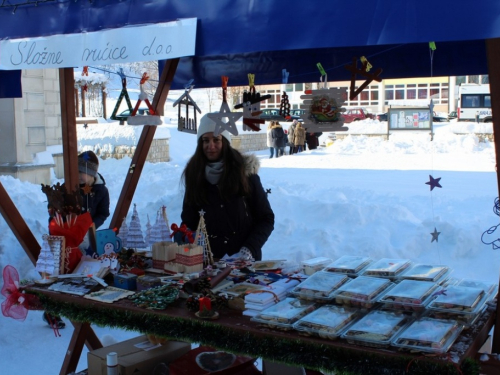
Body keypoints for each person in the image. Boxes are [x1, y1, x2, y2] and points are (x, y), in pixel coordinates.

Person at [180, 114, 275, 261]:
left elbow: (266, 218)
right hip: (209, 264)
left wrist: (248, 249)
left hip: (244, 264)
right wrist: (185, 240)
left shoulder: (245, 173)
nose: (210, 146)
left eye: (216, 140)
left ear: (225, 141)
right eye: (205, 140)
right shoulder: (195, 175)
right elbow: (189, 221)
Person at [43, 150, 110, 329]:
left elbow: (104, 212)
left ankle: (83, 307)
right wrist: (59, 223)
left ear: (92, 174)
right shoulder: (66, 188)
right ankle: (52, 311)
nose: (80, 176)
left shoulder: (101, 190)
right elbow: (53, 211)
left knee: (86, 271)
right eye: (78, 172)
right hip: (66, 238)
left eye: (84, 172)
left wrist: (92, 224)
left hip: (87, 238)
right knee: (61, 273)